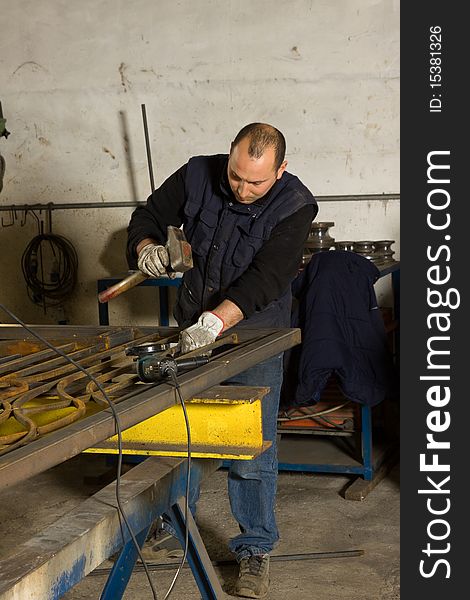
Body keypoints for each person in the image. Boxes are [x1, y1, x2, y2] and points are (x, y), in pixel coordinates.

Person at [127, 122, 317, 598]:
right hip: (190, 322)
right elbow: (148, 214)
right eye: (235, 176)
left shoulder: (296, 205)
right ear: (229, 157)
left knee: (250, 446)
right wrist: (146, 248)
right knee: (180, 432)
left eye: (256, 181)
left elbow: (267, 278)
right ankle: (173, 528)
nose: (243, 188)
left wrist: (217, 322)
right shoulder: (197, 174)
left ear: (281, 169)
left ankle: (254, 549)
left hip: (253, 330)